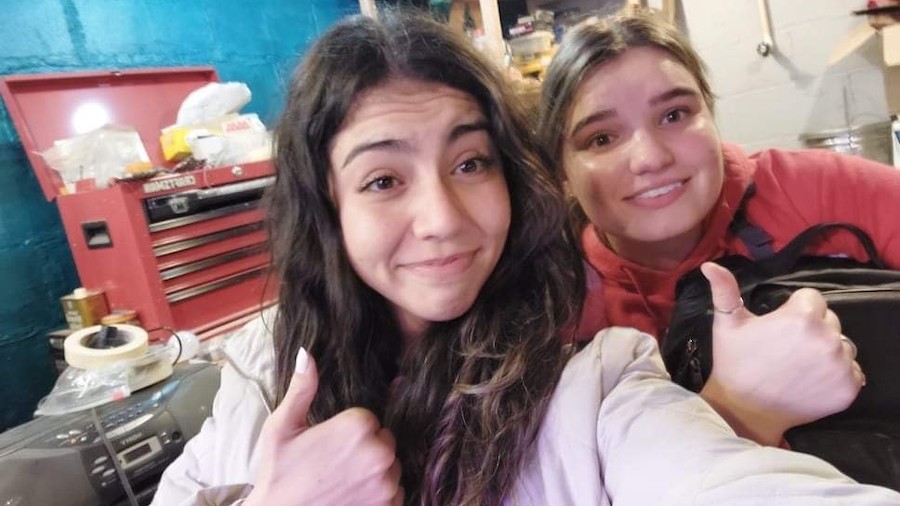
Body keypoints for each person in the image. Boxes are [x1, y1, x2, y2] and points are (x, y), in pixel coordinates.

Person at [151, 9, 900, 506]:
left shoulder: (590, 370)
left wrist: (735, 415)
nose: (442, 220)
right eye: (383, 180)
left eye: (470, 163)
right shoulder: (261, 371)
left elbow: (697, 470)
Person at [537, 10, 900, 448]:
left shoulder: (815, 188)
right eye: (601, 139)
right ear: (561, 170)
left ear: (710, 113)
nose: (650, 158)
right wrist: (743, 411)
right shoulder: (553, 307)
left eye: (674, 115)